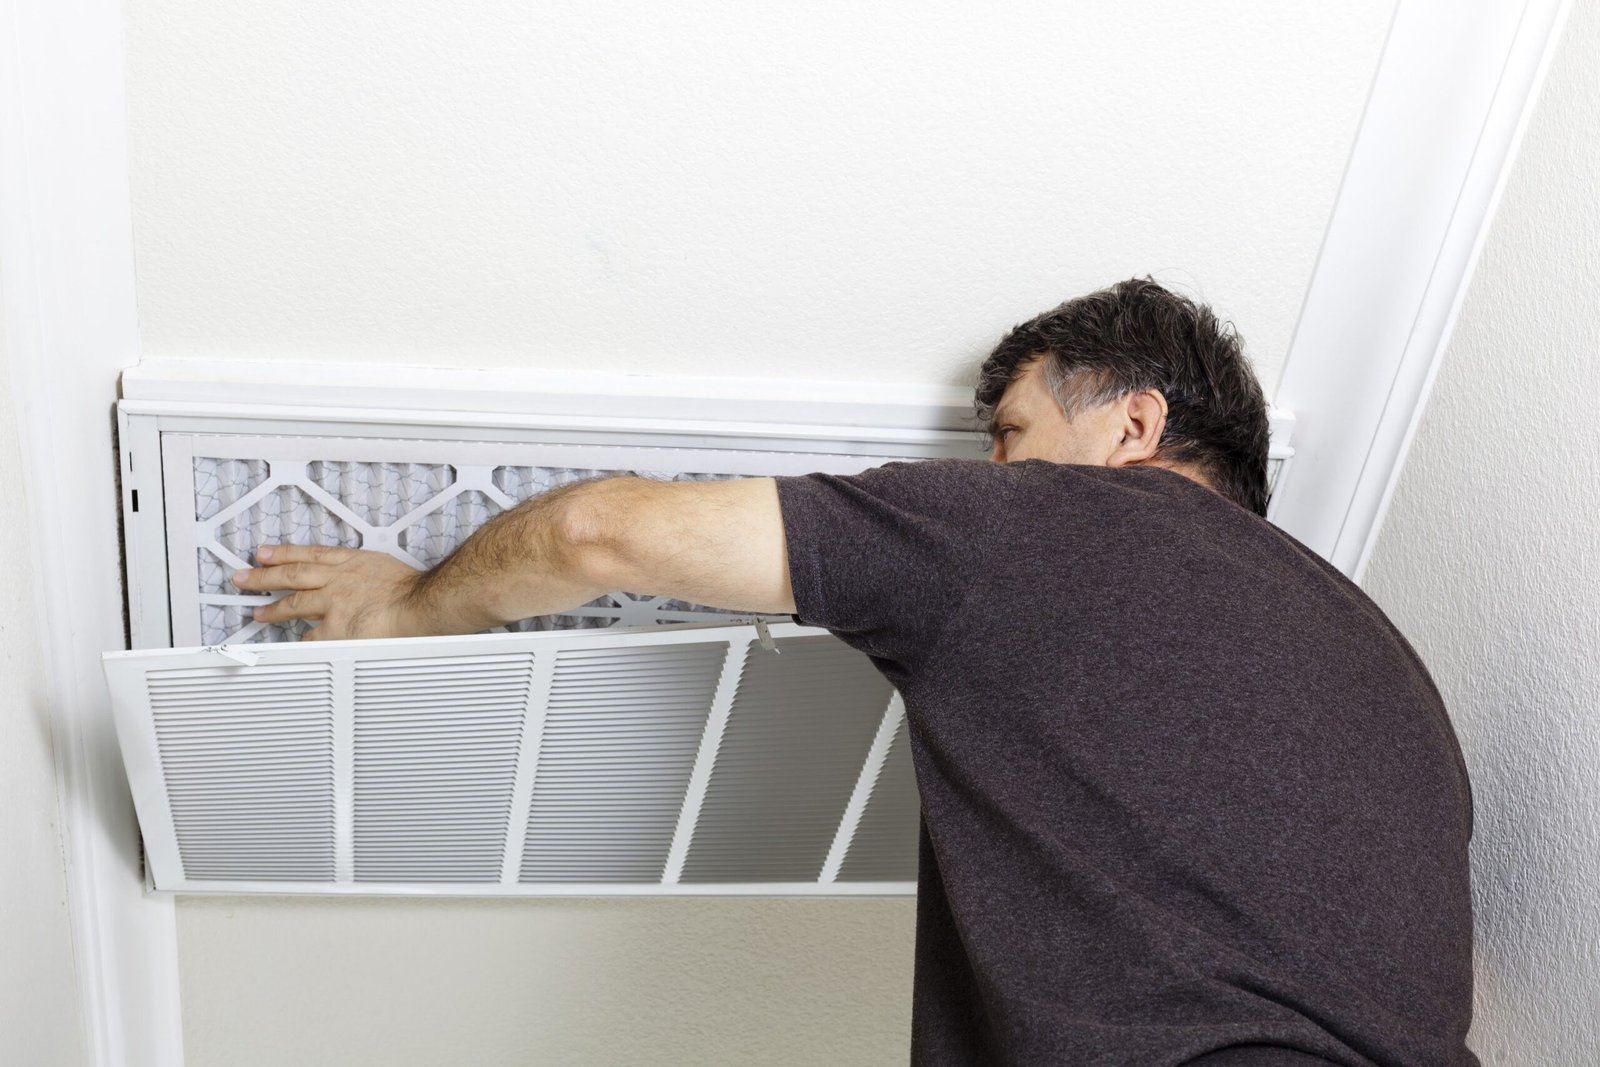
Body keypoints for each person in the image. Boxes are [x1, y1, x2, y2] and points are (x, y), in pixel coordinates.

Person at [231, 277, 1477, 1066]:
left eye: (1012, 439)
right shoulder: (1389, 665)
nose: (998, 477)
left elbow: (595, 530)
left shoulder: (1047, 526)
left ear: (1133, 426)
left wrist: (407, 607)